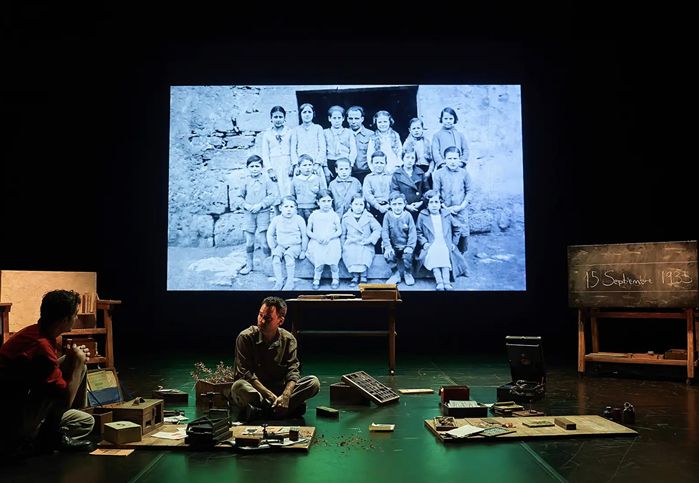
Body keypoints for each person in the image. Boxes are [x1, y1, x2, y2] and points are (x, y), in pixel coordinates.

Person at [0, 290, 95, 458]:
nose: (76, 319)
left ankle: (46, 434)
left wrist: (74, 360)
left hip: (22, 404)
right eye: (75, 315)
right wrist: (78, 364)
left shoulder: (37, 332)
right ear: (65, 319)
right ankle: (42, 440)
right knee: (74, 368)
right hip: (12, 421)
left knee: (86, 421)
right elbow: (65, 398)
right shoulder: (41, 345)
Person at [230, 297, 320, 421]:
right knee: (238, 387)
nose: (261, 321)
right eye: (260, 315)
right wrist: (272, 397)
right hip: (257, 392)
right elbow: (245, 374)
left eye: (267, 318)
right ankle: (283, 410)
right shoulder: (245, 337)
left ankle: (263, 412)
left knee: (313, 383)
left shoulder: (288, 340)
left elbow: (293, 371)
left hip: (280, 390)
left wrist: (286, 396)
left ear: (280, 321)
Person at [234, 154, 280, 275]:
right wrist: (246, 205)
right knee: (249, 241)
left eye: (257, 166)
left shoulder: (267, 181)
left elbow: (272, 196)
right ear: (248, 167)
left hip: (263, 214)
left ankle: (267, 266)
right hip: (249, 214)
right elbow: (238, 197)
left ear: (262, 167)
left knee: (264, 241)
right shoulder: (244, 181)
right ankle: (249, 265)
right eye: (252, 166)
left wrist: (261, 205)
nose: (255, 168)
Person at [415, 190, 463, 290]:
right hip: (431, 244)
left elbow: (457, 228)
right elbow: (418, 231)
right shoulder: (423, 216)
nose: (434, 205)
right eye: (431, 203)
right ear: (427, 205)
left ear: (440, 203)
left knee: (445, 254)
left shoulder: (446, 215)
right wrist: (424, 243)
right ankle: (439, 282)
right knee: (434, 254)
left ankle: (447, 282)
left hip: (444, 243)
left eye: (436, 202)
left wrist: (454, 242)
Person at [432, 146, 472, 256]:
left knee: (463, 234)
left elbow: (469, 192)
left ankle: (461, 258)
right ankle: (449, 260)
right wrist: (445, 208)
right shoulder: (438, 174)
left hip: (461, 210)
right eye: (449, 159)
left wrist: (461, 206)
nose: (452, 162)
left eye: (455, 159)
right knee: (447, 234)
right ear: (444, 160)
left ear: (459, 159)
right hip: (445, 210)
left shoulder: (464, 173)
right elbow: (436, 193)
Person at [266, 196, 308, 290]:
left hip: (295, 245)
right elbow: (270, 234)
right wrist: (273, 248)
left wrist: (303, 250)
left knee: (288, 256)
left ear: (296, 208)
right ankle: (279, 281)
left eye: (291, 207)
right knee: (276, 258)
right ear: (280, 208)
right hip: (281, 245)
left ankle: (290, 282)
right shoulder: (276, 220)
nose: (289, 209)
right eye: (286, 207)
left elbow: (304, 236)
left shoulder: (299, 219)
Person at [306, 189, 343, 289]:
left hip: (331, 241)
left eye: (328, 201)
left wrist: (330, 237)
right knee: (319, 263)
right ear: (318, 202)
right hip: (318, 241)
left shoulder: (334, 215)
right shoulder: (314, 215)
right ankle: (317, 278)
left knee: (333, 263)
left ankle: (335, 278)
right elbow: (308, 231)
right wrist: (316, 237)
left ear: (332, 201)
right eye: (323, 201)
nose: (326, 204)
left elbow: (339, 231)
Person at [341, 194, 381, 285]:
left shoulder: (369, 217)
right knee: (350, 253)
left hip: (365, 243)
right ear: (351, 205)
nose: (358, 207)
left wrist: (370, 239)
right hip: (351, 243)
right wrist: (342, 246)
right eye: (356, 204)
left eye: (361, 205)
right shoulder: (346, 218)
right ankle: (354, 276)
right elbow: (343, 234)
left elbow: (378, 229)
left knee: (364, 255)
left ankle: (363, 276)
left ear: (364, 206)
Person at [381, 191, 417, 286]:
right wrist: (388, 246)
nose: (397, 207)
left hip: (405, 245)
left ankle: (408, 273)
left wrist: (410, 246)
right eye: (394, 204)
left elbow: (412, 233)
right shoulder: (387, 216)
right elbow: (385, 232)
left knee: (408, 255)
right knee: (388, 253)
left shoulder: (408, 216)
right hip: (393, 246)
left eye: (400, 204)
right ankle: (395, 274)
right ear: (390, 205)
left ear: (405, 204)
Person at [260, 105, 293, 196]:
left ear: (284, 118)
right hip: (274, 164)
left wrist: (293, 165)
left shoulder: (290, 132)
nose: (278, 119)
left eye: (280, 117)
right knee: (275, 190)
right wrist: (270, 170)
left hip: (287, 163)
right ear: (271, 119)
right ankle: (277, 210)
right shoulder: (267, 134)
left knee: (288, 188)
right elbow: (265, 154)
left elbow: (293, 150)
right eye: (275, 117)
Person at [289, 103, 327, 180]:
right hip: (300, 167)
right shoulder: (295, 130)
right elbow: (293, 150)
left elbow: (322, 148)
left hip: (315, 167)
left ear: (313, 114)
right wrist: (297, 165)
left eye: (309, 112)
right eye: (304, 112)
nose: (307, 115)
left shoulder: (318, 128)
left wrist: (317, 164)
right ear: (300, 114)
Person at [389, 147, 427, 219]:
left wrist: (421, 202)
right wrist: (405, 205)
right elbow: (395, 192)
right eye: (407, 157)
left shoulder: (420, 172)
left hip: (419, 207)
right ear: (403, 158)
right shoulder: (397, 174)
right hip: (402, 208)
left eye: (412, 158)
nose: (410, 160)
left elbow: (426, 190)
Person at [324, 105, 357, 181]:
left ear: (343, 118)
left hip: (345, 163)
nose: (337, 121)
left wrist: (350, 165)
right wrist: (325, 167)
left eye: (339, 118)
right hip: (330, 162)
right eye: (334, 118)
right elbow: (323, 150)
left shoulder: (349, 132)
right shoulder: (325, 132)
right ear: (329, 119)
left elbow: (353, 150)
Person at [291, 154, 326, 222]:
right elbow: (293, 196)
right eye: (304, 165)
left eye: (310, 165)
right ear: (298, 166)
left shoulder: (318, 179)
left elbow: (323, 194)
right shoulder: (295, 180)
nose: (308, 167)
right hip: (300, 209)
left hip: (315, 208)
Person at [362, 151, 392, 228]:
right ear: (372, 163)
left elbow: (394, 191)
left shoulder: (390, 177)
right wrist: (378, 207)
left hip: (389, 207)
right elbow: (368, 195)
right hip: (374, 207)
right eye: (376, 163)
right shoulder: (368, 178)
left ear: (386, 163)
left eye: (381, 163)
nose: (379, 165)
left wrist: (389, 205)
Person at [346, 106, 374, 183]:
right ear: (347, 119)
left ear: (362, 119)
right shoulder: (343, 134)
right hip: (347, 173)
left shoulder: (371, 134)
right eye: (351, 119)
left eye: (356, 118)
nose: (353, 121)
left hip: (366, 173)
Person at [402, 117, 434, 184]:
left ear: (422, 129)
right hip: (413, 170)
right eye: (414, 128)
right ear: (409, 130)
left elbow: (432, 160)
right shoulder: (407, 143)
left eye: (418, 128)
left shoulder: (427, 142)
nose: (416, 130)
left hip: (426, 169)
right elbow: (405, 159)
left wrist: (429, 172)